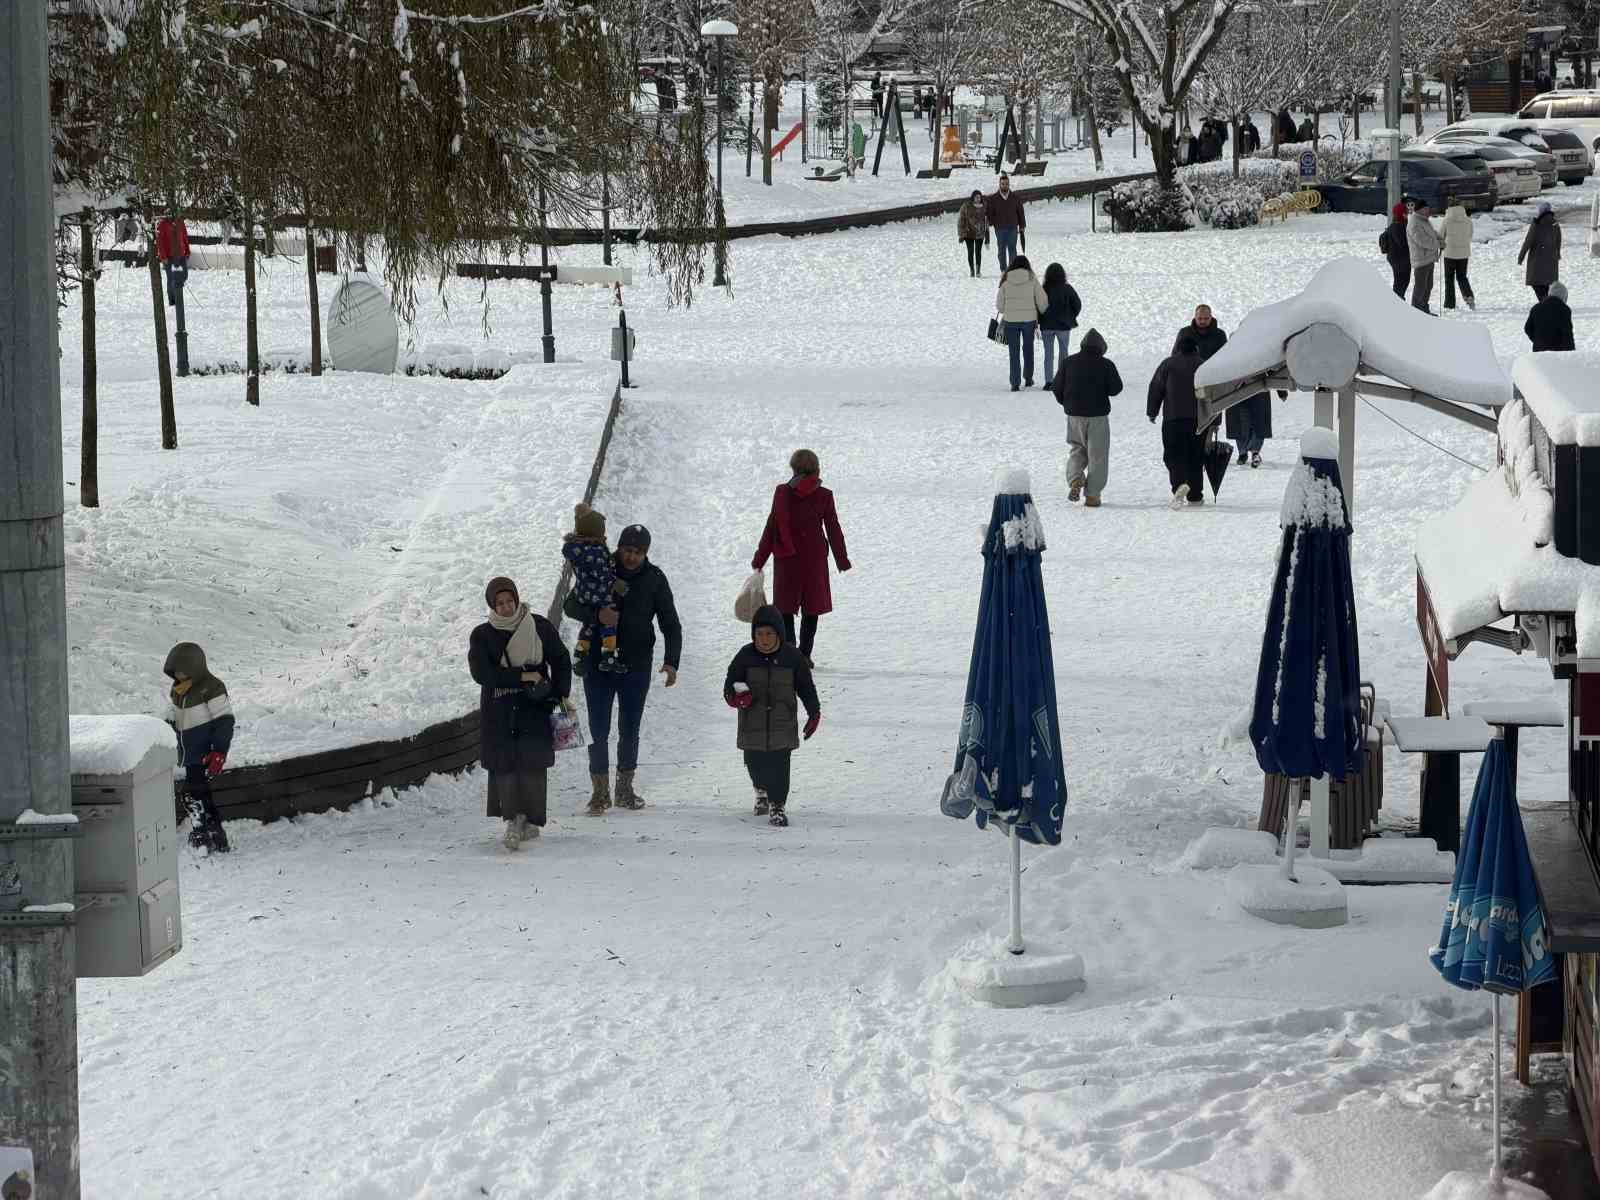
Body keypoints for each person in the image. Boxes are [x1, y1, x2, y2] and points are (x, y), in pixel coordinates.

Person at [563, 524, 682, 815]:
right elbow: (569, 606)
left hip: (636, 665)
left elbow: (670, 622)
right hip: (597, 663)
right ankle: (600, 792)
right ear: (618, 548)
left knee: (630, 728)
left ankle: (625, 789)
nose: (631, 557)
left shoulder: (655, 579)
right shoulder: (600, 570)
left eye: (638, 552)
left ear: (645, 553)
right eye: (627, 550)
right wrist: (597, 613)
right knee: (598, 729)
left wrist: (671, 661)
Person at [470, 578, 572, 849]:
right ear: (492, 605)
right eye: (499, 603)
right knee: (505, 766)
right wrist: (522, 675)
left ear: (516, 599)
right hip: (500, 710)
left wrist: (559, 694)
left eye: (509, 601)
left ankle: (528, 819)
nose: (505, 607)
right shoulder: (482, 635)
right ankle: (512, 820)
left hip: (534, 707)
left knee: (531, 764)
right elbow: (482, 673)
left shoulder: (539, 626)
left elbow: (561, 659)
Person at [723, 605, 821, 828]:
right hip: (752, 724)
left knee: (780, 768)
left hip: (782, 724)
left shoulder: (792, 657)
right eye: (759, 634)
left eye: (769, 634)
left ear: (779, 634)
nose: (764, 639)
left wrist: (814, 712)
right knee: (754, 764)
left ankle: (777, 806)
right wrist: (735, 698)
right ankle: (761, 791)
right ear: (753, 635)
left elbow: (806, 688)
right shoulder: (745, 656)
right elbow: (729, 686)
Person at [751, 449, 851, 667]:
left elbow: (771, 527)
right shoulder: (824, 495)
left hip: (787, 557)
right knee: (811, 608)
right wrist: (841, 559)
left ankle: (789, 650)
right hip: (814, 559)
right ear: (816, 469)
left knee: (785, 607)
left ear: (794, 469)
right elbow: (833, 528)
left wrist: (760, 559)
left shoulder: (782, 493)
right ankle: (804, 654)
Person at [163, 642, 234, 853]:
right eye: (175, 671)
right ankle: (215, 834)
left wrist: (219, 751)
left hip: (204, 751)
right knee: (202, 793)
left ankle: (200, 833)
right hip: (187, 751)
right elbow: (175, 716)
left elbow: (225, 720)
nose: (179, 675)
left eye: (183, 671)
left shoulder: (211, 688)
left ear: (195, 667)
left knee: (194, 792)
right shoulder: (179, 689)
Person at [1052, 327, 1123, 506]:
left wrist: (1067, 403)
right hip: (1097, 416)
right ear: (1101, 347)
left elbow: (1056, 387)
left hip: (1074, 416)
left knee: (1077, 450)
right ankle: (1092, 495)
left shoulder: (1068, 362)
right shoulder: (1106, 364)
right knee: (1097, 455)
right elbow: (1116, 388)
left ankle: (1075, 479)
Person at [561, 502, 620, 676]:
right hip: (599, 595)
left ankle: (580, 655)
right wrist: (614, 583)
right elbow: (602, 573)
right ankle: (609, 655)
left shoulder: (579, 550)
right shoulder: (596, 552)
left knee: (588, 625)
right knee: (608, 623)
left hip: (584, 594)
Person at [1148, 335, 1207, 507]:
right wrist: (1215, 419)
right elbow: (1212, 393)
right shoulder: (1203, 365)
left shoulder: (1168, 364)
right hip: (1199, 420)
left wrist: (1152, 411)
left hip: (1173, 419)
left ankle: (1179, 485)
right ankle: (1195, 495)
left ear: (1178, 348)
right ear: (1196, 348)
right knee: (1195, 456)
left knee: (1173, 454)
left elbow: (1156, 388)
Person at [995, 253, 1048, 390]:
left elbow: (1000, 306)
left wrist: (1008, 310)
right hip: (1029, 320)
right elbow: (1042, 301)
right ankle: (1028, 378)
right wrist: (1042, 312)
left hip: (1011, 321)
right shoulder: (1032, 279)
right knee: (1028, 349)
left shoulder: (1006, 281)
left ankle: (1015, 382)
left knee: (1014, 351)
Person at [1038, 262, 1083, 388]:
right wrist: (1071, 316)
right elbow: (1078, 304)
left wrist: (1040, 319)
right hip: (1063, 326)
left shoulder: (1044, 288)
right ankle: (1062, 380)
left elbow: (1038, 306)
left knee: (1048, 354)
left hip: (1047, 325)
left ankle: (1048, 381)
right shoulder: (1067, 288)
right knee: (1064, 353)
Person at [1519, 202, 1562, 301]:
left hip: (1537, 260)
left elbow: (1528, 241)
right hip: (1551, 260)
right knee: (1547, 284)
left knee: (1537, 283)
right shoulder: (1555, 223)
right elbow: (1558, 240)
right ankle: (1546, 302)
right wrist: (1558, 253)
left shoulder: (1537, 224)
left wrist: (1521, 256)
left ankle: (1544, 302)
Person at [985, 173, 1026, 273]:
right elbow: (990, 213)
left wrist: (1022, 225)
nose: (1004, 186)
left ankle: (1012, 270)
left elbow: (1020, 212)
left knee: (1012, 249)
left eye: (1006, 184)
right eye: (1002, 184)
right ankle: (1003, 269)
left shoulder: (1015, 198)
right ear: (999, 185)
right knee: (1001, 250)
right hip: (1000, 228)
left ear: (1009, 185)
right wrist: (991, 223)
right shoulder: (993, 198)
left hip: (1012, 227)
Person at [1440, 199, 1476, 311]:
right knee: (1462, 277)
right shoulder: (1468, 220)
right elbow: (1470, 235)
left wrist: (1441, 246)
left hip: (1450, 253)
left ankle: (1449, 303)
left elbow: (1441, 236)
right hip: (1464, 253)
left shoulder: (1446, 220)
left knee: (1449, 278)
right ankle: (1469, 296)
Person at [1407, 198, 1440, 314]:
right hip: (1421, 260)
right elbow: (1422, 240)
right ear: (1419, 210)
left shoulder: (1424, 220)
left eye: (1428, 208)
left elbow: (1432, 233)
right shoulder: (1414, 222)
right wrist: (1438, 244)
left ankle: (1424, 310)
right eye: (1425, 209)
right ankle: (1416, 312)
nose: (1428, 210)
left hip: (1429, 258)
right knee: (1420, 288)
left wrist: (1439, 238)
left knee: (1428, 286)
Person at [1525, 280, 1575, 351]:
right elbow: (1567, 333)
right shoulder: (1564, 309)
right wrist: (1571, 351)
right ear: (1563, 296)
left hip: (1539, 351)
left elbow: (1527, 328)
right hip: (1557, 352)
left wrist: (1538, 340)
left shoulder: (1536, 308)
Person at [1380, 202, 1411, 299]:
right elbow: (1403, 244)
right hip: (1400, 260)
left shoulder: (1395, 225)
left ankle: (1398, 302)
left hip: (1396, 259)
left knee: (1400, 282)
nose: (1407, 215)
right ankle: (1398, 303)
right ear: (1400, 214)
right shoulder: (1399, 227)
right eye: (1405, 213)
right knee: (1401, 282)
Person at [957, 189, 989, 277]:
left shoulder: (984, 207)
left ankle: (978, 270)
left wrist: (987, 236)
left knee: (978, 251)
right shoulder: (966, 206)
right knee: (970, 252)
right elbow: (961, 220)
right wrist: (961, 234)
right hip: (969, 233)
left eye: (979, 197)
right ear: (973, 198)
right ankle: (972, 270)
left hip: (980, 233)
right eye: (976, 197)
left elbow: (986, 221)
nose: (978, 199)